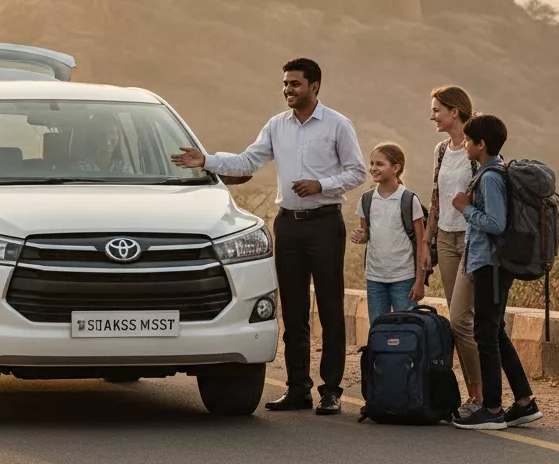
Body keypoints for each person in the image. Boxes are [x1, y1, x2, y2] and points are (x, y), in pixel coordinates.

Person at [170, 58, 367, 415]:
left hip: (325, 224)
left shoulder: (338, 125)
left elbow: (357, 172)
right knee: (292, 309)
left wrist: (321, 185)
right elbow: (248, 162)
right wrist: (207, 160)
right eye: (286, 83)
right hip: (288, 225)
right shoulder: (277, 125)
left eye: (295, 83)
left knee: (330, 307)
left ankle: (331, 391)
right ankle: (298, 388)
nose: (288, 89)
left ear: (314, 87)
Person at [450, 114, 543, 430]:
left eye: (468, 140)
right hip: (493, 264)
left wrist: (465, 208)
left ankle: (491, 409)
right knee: (495, 331)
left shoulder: (490, 177)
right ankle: (524, 402)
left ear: (481, 144)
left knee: (485, 335)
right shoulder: (494, 172)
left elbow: (496, 223)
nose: (465, 145)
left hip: (490, 265)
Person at [422, 86, 484, 418]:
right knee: (459, 320)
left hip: (472, 239)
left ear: (454, 112)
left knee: (461, 319)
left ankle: (480, 396)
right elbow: (435, 198)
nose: (432, 116)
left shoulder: (478, 145)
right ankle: (474, 394)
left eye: (437, 110)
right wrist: (426, 244)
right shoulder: (441, 150)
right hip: (445, 239)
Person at [350, 143, 425, 324]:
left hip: (404, 278)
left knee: (407, 329)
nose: (373, 168)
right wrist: (361, 237)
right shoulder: (366, 199)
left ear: (396, 168)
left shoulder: (409, 200)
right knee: (378, 328)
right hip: (375, 278)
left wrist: (419, 282)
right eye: (372, 163)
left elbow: (422, 243)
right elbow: (366, 235)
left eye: (380, 164)